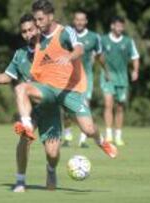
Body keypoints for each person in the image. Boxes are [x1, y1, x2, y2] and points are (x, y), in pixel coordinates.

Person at [0, 14, 62, 192]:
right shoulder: (20, 54)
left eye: (30, 29)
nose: (27, 34)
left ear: (38, 28)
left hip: (50, 107)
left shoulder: (52, 49)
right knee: (25, 138)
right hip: (30, 108)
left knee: (52, 153)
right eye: (24, 31)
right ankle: (20, 180)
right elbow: (7, 77)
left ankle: (51, 169)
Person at [13, 0, 117, 161]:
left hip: (70, 89)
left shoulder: (65, 32)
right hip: (48, 89)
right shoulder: (37, 36)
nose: (37, 23)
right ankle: (26, 126)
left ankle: (101, 141)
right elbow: (26, 41)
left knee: (88, 129)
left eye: (40, 19)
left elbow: (79, 48)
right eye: (36, 20)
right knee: (21, 89)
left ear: (50, 17)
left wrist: (69, 56)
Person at [62, 9, 103, 148]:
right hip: (68, 77)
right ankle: (67, 136)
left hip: (86, 77)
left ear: (86, 21)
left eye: (82, 19)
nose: (79, 22)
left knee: (84, 106)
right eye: (77, 19)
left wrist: (105, 71)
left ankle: (83, 139)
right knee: (65, 108)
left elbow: (99, 56)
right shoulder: (67, 35)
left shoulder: (94, 37)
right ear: (74, 21)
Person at [100, 16, 140, 146]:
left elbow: (135, 57)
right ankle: (109, 135)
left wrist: (135, 70)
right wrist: (105, 71)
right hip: (107, 77)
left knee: (120, 107)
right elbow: (98, 56)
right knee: (108, 104)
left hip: (122, 78)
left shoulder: (128, 41)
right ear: (112, 26)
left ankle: (118, 136)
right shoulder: (104, 40)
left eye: (121, 26)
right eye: (117, 25)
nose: (119, 28)